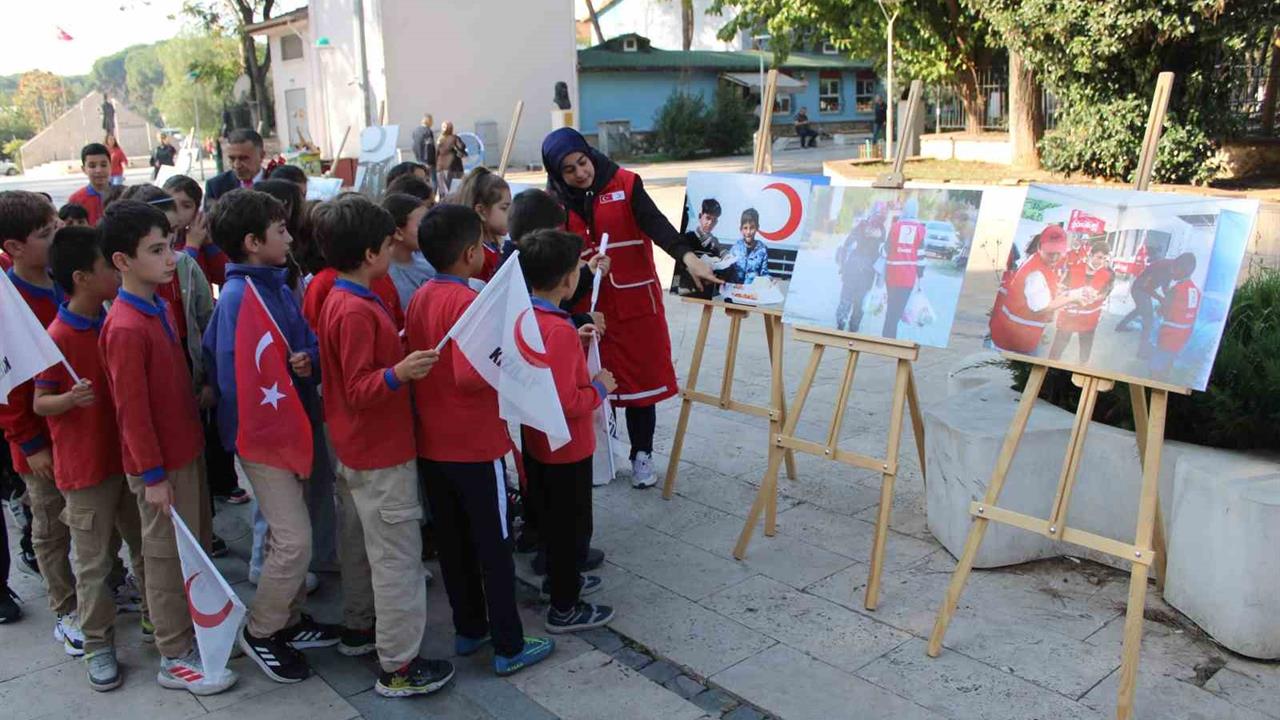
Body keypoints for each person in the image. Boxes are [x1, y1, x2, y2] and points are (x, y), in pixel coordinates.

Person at [311, 193, 456, 697]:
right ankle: (398, 665)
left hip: (356, 450)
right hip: (380, 453)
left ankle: (359, 627)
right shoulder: (354, 309)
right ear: (371, 254)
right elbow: (358, 388)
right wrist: (401, 372)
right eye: (388, 244)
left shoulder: (342, 297)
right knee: (397, 561)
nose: (396, 249)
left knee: (360, 546)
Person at [405, 204, 556, 677]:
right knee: (494, 546)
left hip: (433, 443)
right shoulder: (468, 302)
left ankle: (469, 627)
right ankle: (510, 644)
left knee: (453, 543)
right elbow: (471, 375)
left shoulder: (421, 295)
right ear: (471, 252)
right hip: (474, 444)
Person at [99, 200, 238, 696]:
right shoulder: (124, 326)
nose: (172, 258)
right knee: (163, 559)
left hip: (185, 450)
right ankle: (174, 653)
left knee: (194, 548)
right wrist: (153, 476)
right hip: (159, 467)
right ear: (122, 260)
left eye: (171, 246)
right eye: (157, 250)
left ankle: (199, 632)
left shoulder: (157, 305)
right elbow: (132, 414)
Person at [202, 189, 339, 684]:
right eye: (279, 231)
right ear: (252, 242)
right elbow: (229, 375)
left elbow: (305, 341)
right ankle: (261, 630)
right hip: (264, 438)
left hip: (291, 426)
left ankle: (290, 619)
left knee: (293, 533)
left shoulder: (276, 284)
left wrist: (308, 361)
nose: (289, 238)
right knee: (294, 541)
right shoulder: (239, 297)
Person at [541, 127, 718, 488]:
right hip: (587, 308)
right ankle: (603, 455)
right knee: (591, 383)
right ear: (557, 174)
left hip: (636, 307)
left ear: (590, 154)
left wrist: (689, 258)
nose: (580, 173)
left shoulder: (625, 183)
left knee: (640, 386)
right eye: (569, 170)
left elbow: (658, 225)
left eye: (582, 162)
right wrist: (584, 270)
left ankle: (642, 454)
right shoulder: (553, 204)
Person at [33, 226, 148, 692]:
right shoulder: (57, 335)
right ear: (82, 277)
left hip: (128, 460)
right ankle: (98, 643)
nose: (116, 272)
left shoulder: (115, 320)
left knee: (145, 547)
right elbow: (40, 403)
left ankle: (155, 618)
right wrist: (69, 400)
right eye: (107, 265)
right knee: (93, 563)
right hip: (84, 471)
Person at [516, 229, 617, 634]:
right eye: (577, 269)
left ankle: (561, 581)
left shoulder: (529, 317)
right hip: (567, 447)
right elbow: (566, 401)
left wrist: (574, 338)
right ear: (566, 280)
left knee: (555, 523)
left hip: (538, 441)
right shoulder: (557, 330)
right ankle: (565, 605)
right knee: (569, 529)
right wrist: (599, 388)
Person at [0, 191, 82, 654]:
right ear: (14, 247)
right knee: (51, 526)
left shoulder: (64, 280)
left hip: (80, 431)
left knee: (93, 521)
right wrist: (29, 444)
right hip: (39, 444)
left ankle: (108, 586)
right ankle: (66, 608)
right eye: (46, 234)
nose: (58, 238)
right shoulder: (7, 302)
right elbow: (8, 388)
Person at [989, 225, 1090, 354]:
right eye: (1050, 253)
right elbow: (1041, 308)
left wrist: (1063, 292)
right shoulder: (1035, 273)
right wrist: (1072, 298)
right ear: (1039, 247)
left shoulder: (1039, 262)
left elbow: (1040, 290)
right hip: (1015, 342)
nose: (1054, 257)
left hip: (1014, 335)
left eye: (1058, 253)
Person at [1049, 240, 1114, 363]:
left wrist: (1095, 297)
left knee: (1084, 354)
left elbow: (1105, 293)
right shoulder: (1073, 268)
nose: (1101, 261)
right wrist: (1071, 294)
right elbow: (1061, 288)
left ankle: (1081, 367)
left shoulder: (1109, 274)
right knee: (1055, 353)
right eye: (1099, 257)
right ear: (1090, 255)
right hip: (1068, 317)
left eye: (1104, 258)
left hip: (1089, 320)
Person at [1116, 252, 1188, 356]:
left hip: (1144, 289)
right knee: (1148, 318)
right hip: (1140, 289)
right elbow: (1147, 287)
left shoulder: (1171, 269)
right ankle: (1142, 351)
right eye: (1182, 274)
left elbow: (1165, 286)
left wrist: (1169, 298)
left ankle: (1120, 326)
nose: (1178, 278)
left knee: (1140, 309)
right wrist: (1161, 299)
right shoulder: (1163, 267)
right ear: (1179, 268)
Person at [162, 175, 229, 287]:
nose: (177, 211)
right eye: (171, 204)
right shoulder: (158, 239)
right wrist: (192, 247)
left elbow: (224, 276)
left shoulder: (198, 237)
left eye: (186, 206)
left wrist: (210, 245)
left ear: (196, 212)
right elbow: (176, 279)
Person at [835, 203, 887, 332]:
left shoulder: (861, 226)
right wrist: (880, 278)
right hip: (867, 271)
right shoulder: (882, 231)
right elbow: (883, 254)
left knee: (847, 296)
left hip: (853, 266)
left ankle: (841, 322)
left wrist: (842, 265)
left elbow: (847, 244)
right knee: (860, 300)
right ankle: (854, 326)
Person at [456, 167, 511, 283]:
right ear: (481, 211)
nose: (511, 214)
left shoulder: (495, 246)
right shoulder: (478, 257)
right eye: (504, 208)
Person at [881, 200, 926, 339]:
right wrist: (920, 276)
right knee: (897, 311)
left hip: (892, 274)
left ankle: (887, 337)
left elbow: (885, 251)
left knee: (891, 309)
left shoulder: (895, 226)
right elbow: (921, 256)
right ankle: (890, 340)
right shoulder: (920, 229)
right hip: (907, 277)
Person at [1149, 253, 1200, 375]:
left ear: (1181, 270)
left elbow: (1163, 310)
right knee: (1168, 362)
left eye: (1174, 268)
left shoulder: (1176, 290)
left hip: (1169, 336)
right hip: (1183, 336)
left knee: (1155, 369)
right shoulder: (1195, 290)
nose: (1172, 272)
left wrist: (1158, 308)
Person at [382, 192, 436, 307]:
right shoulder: (383, 275)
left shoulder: (430, 265)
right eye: (421, 225)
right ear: (398, 233)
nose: (428, 230)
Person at [205, 129, 266, 204]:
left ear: (261, 156)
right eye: (232, 159)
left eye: (243, 158)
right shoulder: (216, 186)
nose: (237, 165)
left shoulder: (277, 182)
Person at [68, 142, 112, 225]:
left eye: (103, 165)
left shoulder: (124, 195)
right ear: (84, 169)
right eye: (92, 166)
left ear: (111, 165)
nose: (98, 170)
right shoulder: (75, 200)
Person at [728, 208, 769, 284]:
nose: (748, 232)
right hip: (735, 288)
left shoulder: (762, 249)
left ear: (757, 228)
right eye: (745, 228)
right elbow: (728, 270)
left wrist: (770, 281)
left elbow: (764, 273)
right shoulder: (735, 248)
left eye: (752, 228)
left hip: (753, 289)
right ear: (741, 229)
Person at [435, 121, 467, 193]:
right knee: (456, 189)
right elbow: (462, 146)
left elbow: (436, 153)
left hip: (441, 167)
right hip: (454, 166)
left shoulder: (439, 139)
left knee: (443, 190)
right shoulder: (454, 138)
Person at [411, 113, 438, 190]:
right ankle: (433, 195)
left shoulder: (415, 131)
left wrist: (417, 156)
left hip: (418, 159)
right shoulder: (428, 131)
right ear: (429, 121)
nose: (432, 123)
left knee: (421, 180)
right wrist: (429, 161)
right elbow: (429, 147)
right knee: (433, 180)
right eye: (431, 121)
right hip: (428, 161)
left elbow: (413, 146)